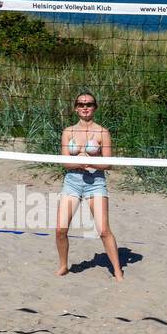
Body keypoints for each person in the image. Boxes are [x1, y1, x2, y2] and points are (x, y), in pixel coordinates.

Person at [54, 90, 123, 280]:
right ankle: (63, 265)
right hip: (73, 181)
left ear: (95, 107)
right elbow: (65, 162)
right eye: (81, 104)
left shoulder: (102, 132)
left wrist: (89, 163)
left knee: (103, 230)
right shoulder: (68, 132)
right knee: (60, 229)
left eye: (89, 104)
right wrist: (81, 162)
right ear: (76, 108)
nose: (85, 107)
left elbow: (109, 163)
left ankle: (117, 270)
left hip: (96, 182)